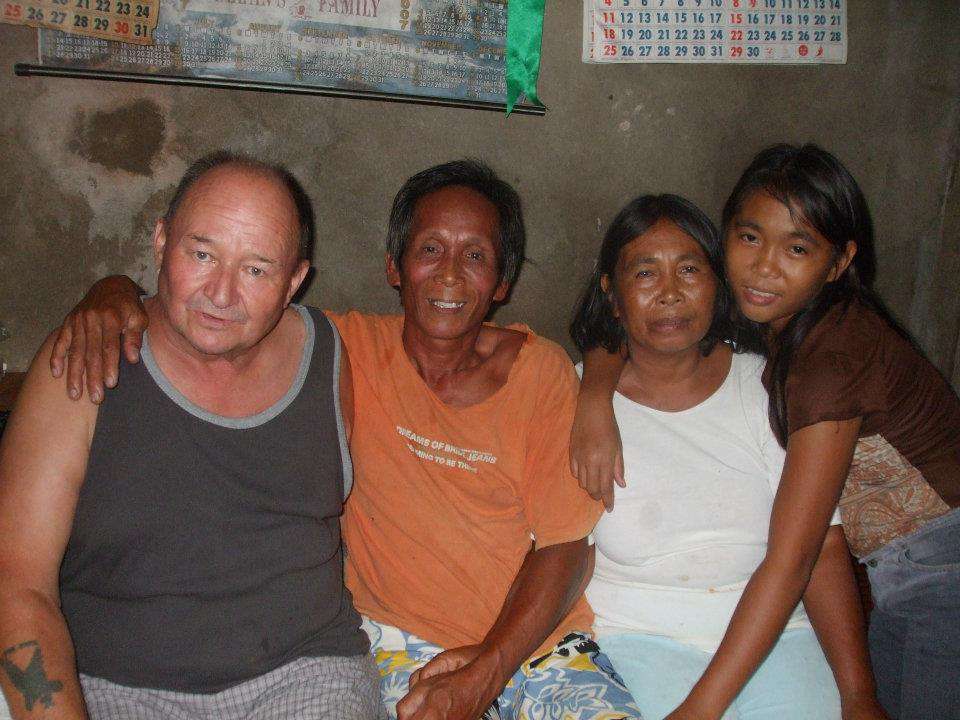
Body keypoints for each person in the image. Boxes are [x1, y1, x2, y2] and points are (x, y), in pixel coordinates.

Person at [42, 160, 642, 720]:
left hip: (536, 647)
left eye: (475, 255)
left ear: (502, 280)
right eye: (429, 249)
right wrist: (112, 291)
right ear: (394, 267)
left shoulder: (540, 372)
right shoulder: (337, 351)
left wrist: (486, 670)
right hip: (400, 644)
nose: (450, 273)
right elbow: (223, 313)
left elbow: (565, 548)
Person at [574, 144, 960, 720]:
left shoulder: (821, 365)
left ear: (839, 262)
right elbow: (637, 330)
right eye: (751, 238)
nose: (764, 267)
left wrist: (703, 709)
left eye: (797, 248)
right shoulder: (784, 323)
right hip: (889, 574)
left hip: (938, 571)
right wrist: (593, 395)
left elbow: (799, 554)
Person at [0, 153, 383, 720]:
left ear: (294, 281)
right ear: (160, 242)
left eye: (256, 270)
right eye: (202, 254)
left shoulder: (326, 355)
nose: (221, 294)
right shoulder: (82, 363)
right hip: (116, 684)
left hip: (306, 675)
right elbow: (17, 583)